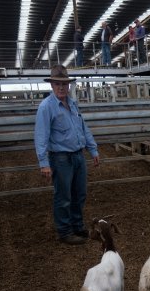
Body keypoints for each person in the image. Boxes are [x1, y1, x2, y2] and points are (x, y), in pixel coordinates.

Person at [34, 65, 100, 245]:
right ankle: (65, 231)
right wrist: (44, 163)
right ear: (52, 85)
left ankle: (77, 226)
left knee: (79, 194)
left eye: (64, 84)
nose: (61, 87)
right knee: (63, 196)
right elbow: (41, 135)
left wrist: (92, 149)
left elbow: (83, 128)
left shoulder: (72, 104)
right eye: (57, 84)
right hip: (61, 158)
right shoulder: (46, 107)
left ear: (69, 85)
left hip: (78, 155)